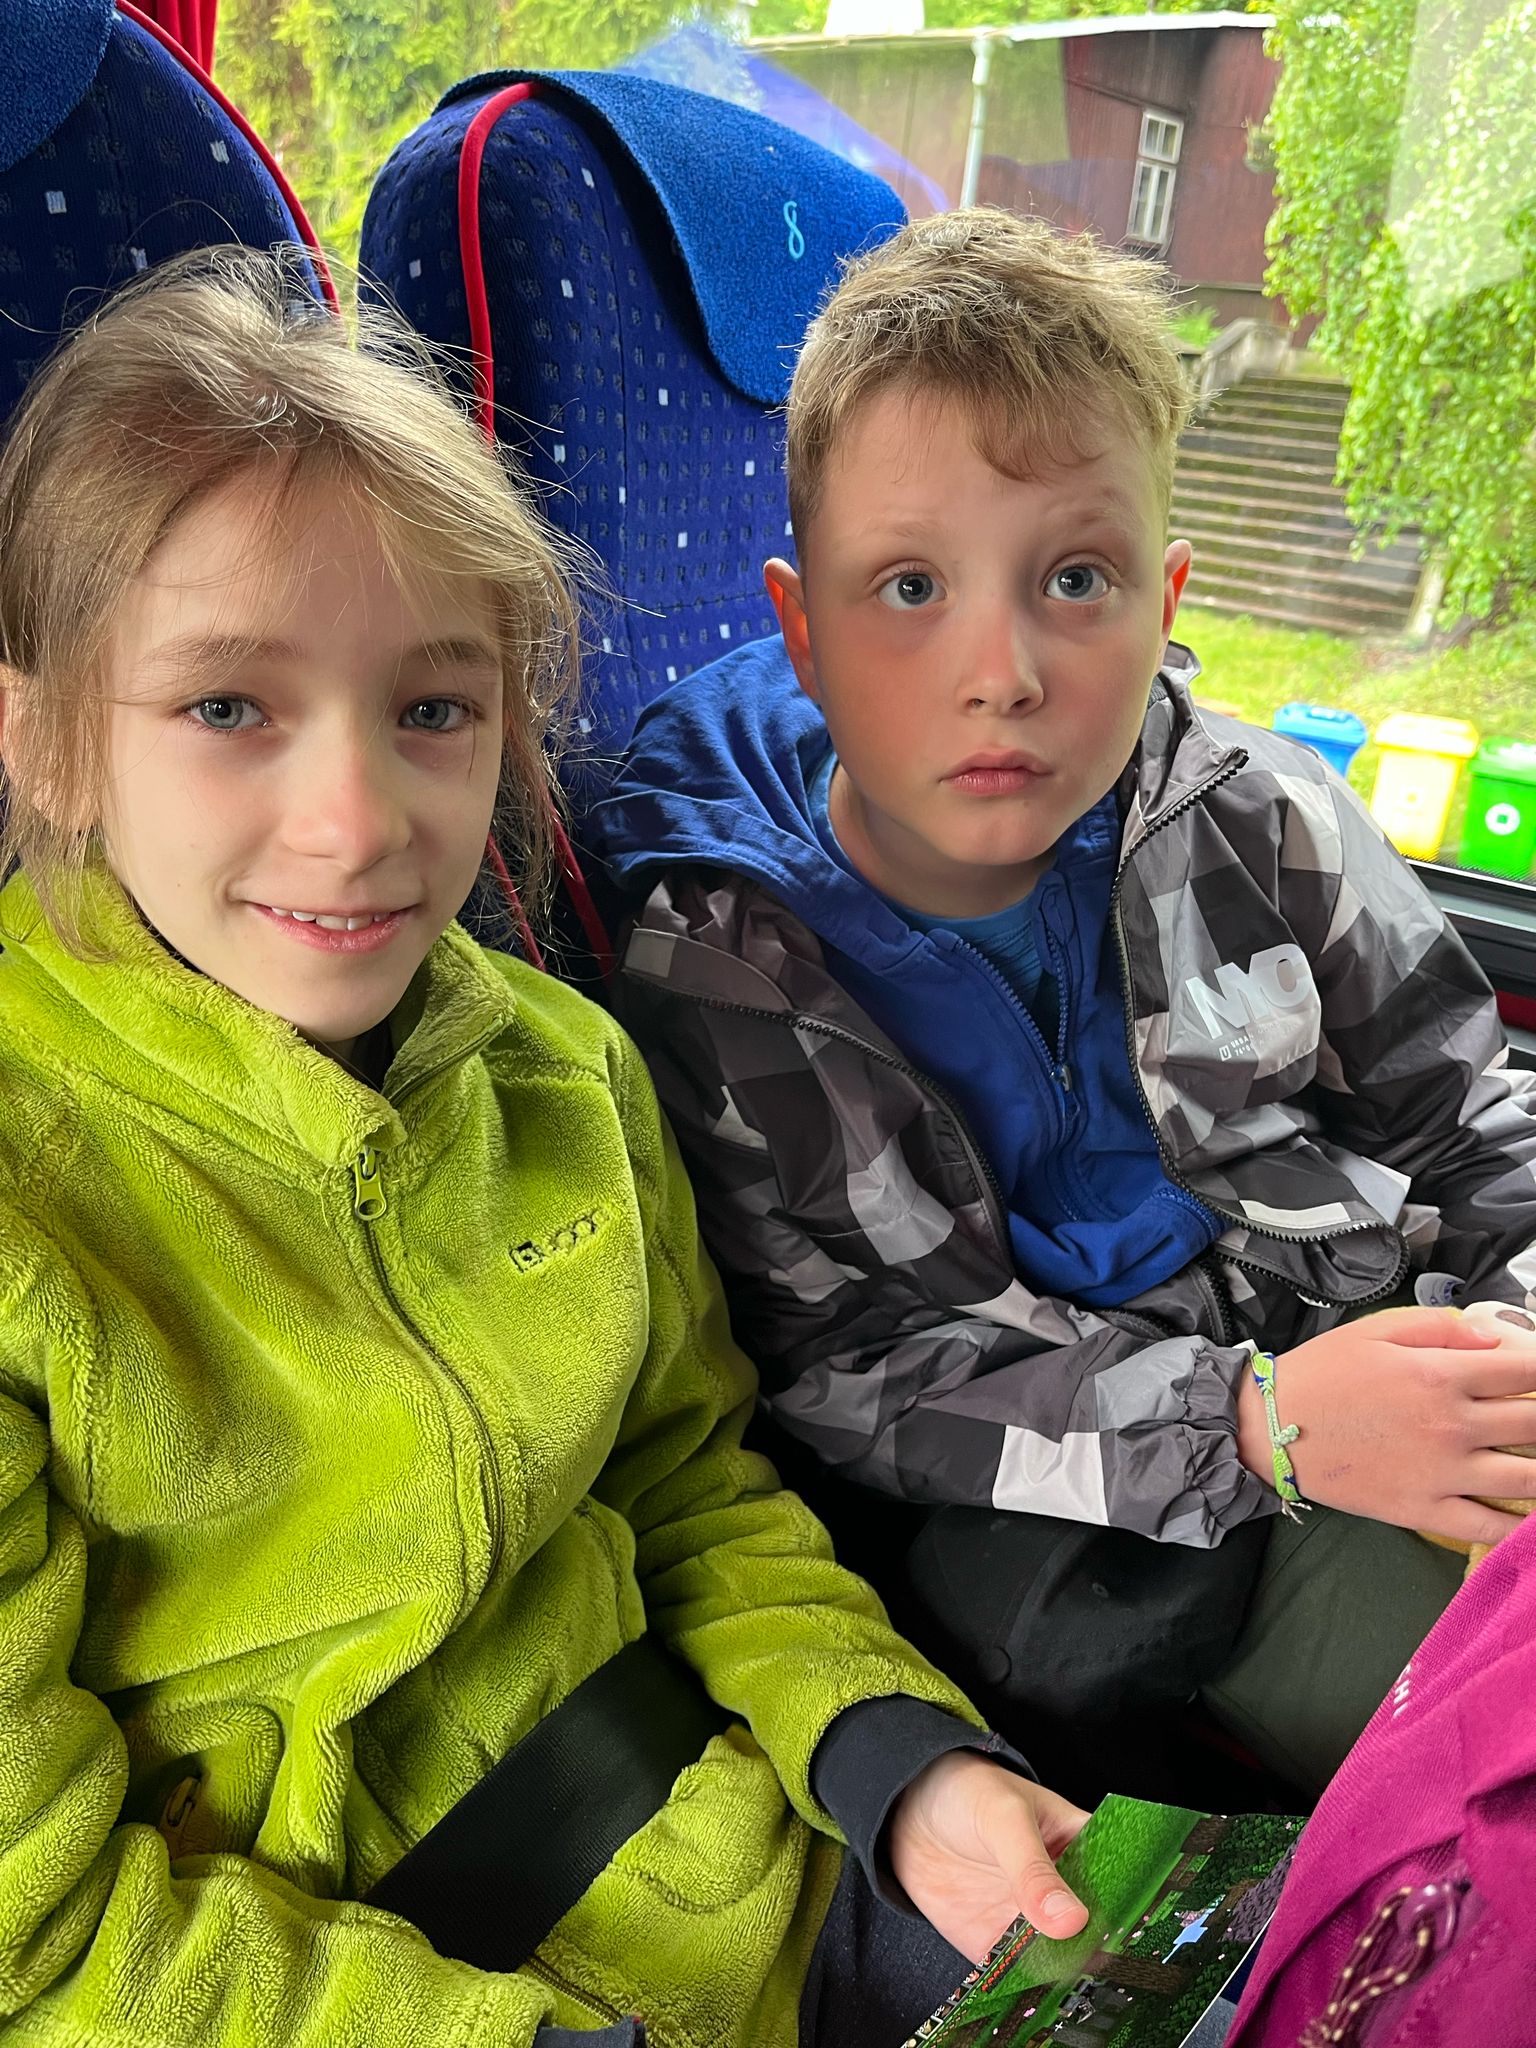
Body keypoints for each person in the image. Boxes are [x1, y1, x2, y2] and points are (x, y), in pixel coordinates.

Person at [0, 246, 1094, 2048]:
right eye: (227, 709)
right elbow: (36, 1940)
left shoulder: (561, 1069)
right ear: (45, 742)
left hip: (737, 1868)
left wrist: (896, 1762)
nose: (358, 821)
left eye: (434, 710)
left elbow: (687, 1484)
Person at [591, 208, 1536, 1800]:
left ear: (1167, 600)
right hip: (1095, 1501)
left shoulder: (1261, 816)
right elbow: (857, 1375)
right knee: (1491, 1743)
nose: (1003, 672)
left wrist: (1511, 1326)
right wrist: (1257, 1424)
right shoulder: (734, 972)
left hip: (1382, 1339)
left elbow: (1467, 1119)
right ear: (802, 633)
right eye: (909, 587)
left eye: (1076, 579)